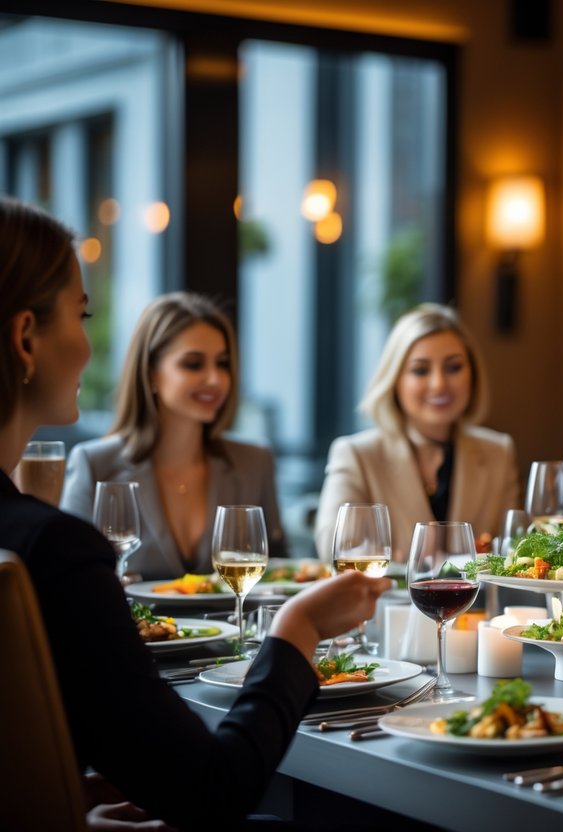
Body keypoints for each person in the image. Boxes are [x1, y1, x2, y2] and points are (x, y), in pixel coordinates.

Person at [0, 195, 389, 829]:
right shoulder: (54, 549)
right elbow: (214, 791)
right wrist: (298, 628)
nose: (89, 342)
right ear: (24, 338)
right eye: (82, 313)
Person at [60, 292, 288, 579]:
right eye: (193, 364)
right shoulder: (94, 465)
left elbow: (280, 577)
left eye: (223, 363)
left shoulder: (255, 462)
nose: (215, 379)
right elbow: (68, 580)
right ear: (151, 373)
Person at [315, 303, 520, 561]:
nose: (439, 384)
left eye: (454, 367)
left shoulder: (498, 452)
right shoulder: (356, 454)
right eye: (420, 370)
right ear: (395, 380)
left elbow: (515, 553)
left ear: (473, 374)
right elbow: (332, 550)